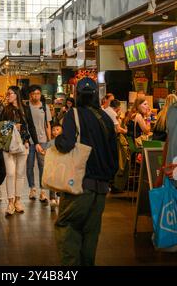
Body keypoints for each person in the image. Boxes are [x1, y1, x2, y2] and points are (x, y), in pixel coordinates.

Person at [54, 77, 118, 266]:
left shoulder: (73, 114)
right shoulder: (106, 117)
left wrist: (57, 139)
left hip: (79, 185)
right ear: (96, 95)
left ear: (77, 95)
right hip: (100, 189)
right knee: (91, 234)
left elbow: (66, 144)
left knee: (67, 227)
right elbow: (114, 158)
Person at [0, 86, 30, 215]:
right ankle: (10, 202)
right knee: (10, 173)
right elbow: (1, 128)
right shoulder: (5, 110)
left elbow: (30, 126)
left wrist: (30, 141)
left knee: (20, 174)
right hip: (9, 146)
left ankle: (18, 200)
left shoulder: (25, 109)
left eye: (10, 93)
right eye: (8, 93)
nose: (8, 95)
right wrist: (13, 126)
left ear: (16, 94)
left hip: (24, 144)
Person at [25, 85, 52, 202]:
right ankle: (32, 188)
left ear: (40, 94)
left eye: (38, 93)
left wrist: (50, 141)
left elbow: (48, 125)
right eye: (33, 93)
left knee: (43, 166)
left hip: (43, 141)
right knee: (29, 166)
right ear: (30, 95)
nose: (36, 95)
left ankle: (42, 190)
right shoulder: (26, 108)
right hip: (29, 141)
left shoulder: (45, 107)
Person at [48, 124, 63, 211]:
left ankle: (59, 197)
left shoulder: (64, 141)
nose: (55, 131)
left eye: (57, 129)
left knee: (60, 183)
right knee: (52, 183)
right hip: (52, 165)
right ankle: (52, 199)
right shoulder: (51, 142)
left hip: (61, 166)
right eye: (53, 130)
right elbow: (46, 151)